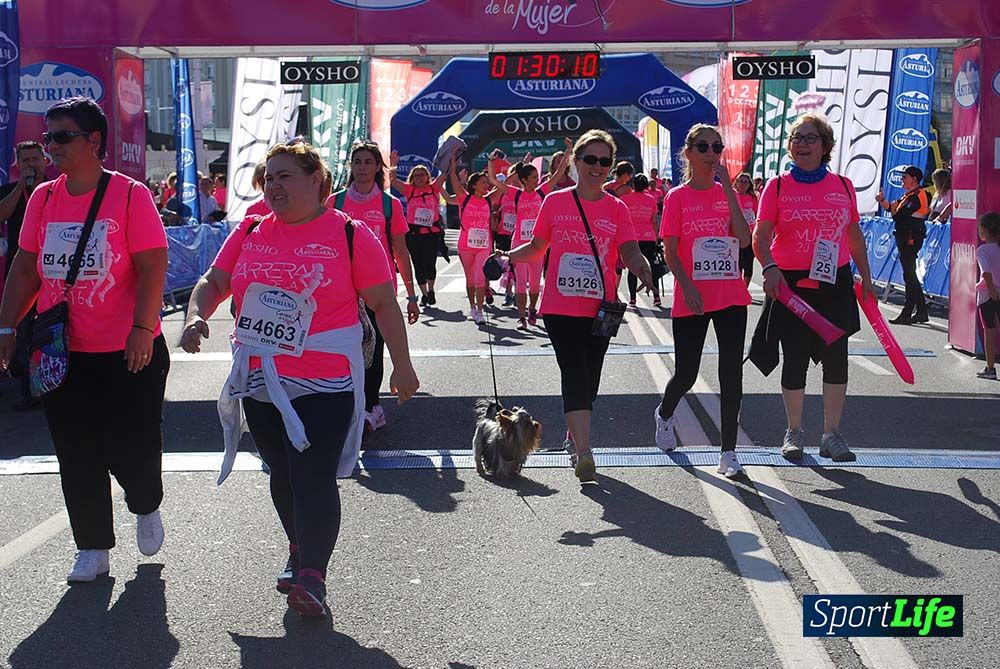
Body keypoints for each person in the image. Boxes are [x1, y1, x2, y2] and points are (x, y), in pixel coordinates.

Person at [180, 140, 419, 617]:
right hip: (261, 378)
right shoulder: (249, 230)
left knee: (312, 474)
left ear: (317, 181)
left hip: (326, 381)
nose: (273, 185)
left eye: (285, 176)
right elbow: (214, 281)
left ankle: (313, 574)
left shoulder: (348, 233)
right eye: (269, 177)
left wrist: (403, 364)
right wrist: (195, 315)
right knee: (283, 474)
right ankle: (298, 548)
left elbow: (383, 304)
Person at [0, 96, 170, 582]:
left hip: (128, 348)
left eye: (61, 136)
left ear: (94, 141)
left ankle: (145, 502)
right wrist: (7, 326)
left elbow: (152, 263)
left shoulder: (130, 194)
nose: (50, 145)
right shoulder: (44, 198)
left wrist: (141, 328)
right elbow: (28, 264)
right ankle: (92, 547)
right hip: (60, 350)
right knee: (75, 448)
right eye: (48, 136)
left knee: (132, 444)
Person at [506, 130, 653, 482]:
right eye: (590, 159)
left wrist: (643, 267)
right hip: (560, 307)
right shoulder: (555, 203)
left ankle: (575, 434)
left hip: (602, 308)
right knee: (573, 369)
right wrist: (506, 257)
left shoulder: (616, 208)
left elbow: (629, 250)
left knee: (591, 378)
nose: (597, 167)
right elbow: (537, 245)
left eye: (605, 161)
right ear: (576, 162)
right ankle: (584, 451)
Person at [750, 112, 876, 464]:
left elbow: (853, 235)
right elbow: (759, 237)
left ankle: (832, 435)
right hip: (790, 285)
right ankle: (794, 432)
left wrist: (866, 277)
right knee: (795, 359)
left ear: (825, 146)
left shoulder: (843, 185)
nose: (802, 144)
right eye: (796, 138)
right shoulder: (776, 186)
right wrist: (770, 267)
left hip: (833, 282)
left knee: (837, 360)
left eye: (810, 138)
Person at [654, 125, 752, 478]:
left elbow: (743, 241)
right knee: (687, 373)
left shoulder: (728, 194)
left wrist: (728, 191)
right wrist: (687, 286)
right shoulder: (676, 197)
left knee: (731, 373)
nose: (712, 153)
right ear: (689, 153)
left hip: (729, 295)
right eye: (704, 146)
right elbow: (669, 251)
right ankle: (665, 414)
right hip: (692, 296)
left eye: (717, 146)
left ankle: (728, 452)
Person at [328, 140, 419, 434]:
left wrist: (412, 295)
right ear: (350, 166)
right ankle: (347, 405)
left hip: (378, 293)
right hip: (341, 292)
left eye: (368, 162)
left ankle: (371, 408)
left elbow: (400, 252)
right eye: (357, 162)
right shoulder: (334, 203)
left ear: (378, 167)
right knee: (343, 350)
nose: (362, 168)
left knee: (373, 351)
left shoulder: (389, 204)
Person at [489, 146, 568, 329]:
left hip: (537, 243)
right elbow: (493, 180)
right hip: (519, 243)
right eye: (533, 177)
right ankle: (522, 317)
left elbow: (559, 172)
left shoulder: (542, 191)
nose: (536, 180)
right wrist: (491, 161)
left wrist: (569, 151)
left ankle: (532, 309)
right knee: (520, 283)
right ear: (523, 180)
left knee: (534, 282)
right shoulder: (515, 193)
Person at [0, 141, 48, 411]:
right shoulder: (12, 191)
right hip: (22, 272)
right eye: (25, 160)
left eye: (35, 159)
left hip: (54, 272)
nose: (31, 164)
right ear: (18, 165)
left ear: (45, 160)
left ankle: (48, 387)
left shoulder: (58, 186)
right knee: (21, 331)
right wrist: (20, 187)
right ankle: (30, 389)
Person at [389, 153, 447, 307]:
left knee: (430, 263)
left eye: (422, 175)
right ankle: (424, 294)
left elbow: (445, 174)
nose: (419, 178)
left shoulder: (434, 188)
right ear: (412, 178)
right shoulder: (409, 190)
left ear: (427, 176)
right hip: (414, 234)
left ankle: (431, 289)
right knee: (417, 264)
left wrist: (451, 158)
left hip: (431, 233)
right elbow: (392, 180)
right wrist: (394, 164)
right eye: (416, 175)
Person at [449, 158, 501, 324]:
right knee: (470, 279)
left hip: (483, 247)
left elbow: (503, 185)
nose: (487, 185)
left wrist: (492, 165)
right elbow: (454, 181)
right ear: (474, 185)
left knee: (479, 278)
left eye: (487, 182)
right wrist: (452, 166)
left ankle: (480, 310)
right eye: (483, 182)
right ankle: (472, 306)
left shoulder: (488, 199)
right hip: (466, 246)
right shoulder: (464, 198)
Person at [876, 165, 929, 324]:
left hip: (911, 237)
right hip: (905, 236)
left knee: (910, 275)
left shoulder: (918, 196)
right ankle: (921, 311)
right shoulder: (909, 195)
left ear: (914, 179)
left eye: (904, 176)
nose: (902, 179)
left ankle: (907, 312)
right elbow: (892, 208)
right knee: (909, 274)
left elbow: (898, 216)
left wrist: (894, 212)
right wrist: (882, 200)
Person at [620, 174, 662, 307]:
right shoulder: (651, 200)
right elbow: (654, 221)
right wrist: (656, 238)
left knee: (633, 268)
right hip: (648, 237)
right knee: (651, 268)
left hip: (631, 238)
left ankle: (632, 298)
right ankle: (656, 297)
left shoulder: (625, 199)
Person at [975, 212, 1000, 379]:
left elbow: (986, 273)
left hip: (988, 295)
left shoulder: (982, 250)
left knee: (989, 331)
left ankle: (990, 368)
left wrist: (992, 292)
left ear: (983, 230)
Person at [733, 171, 759, 287]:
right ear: (736, 183)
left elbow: (757, 214)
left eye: (745, 182)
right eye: (740, 181)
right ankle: (736, 288)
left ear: (749, 184)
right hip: (735, 235)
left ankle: (745, 288)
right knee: (737, 263)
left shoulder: (753, 197)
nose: (743, 184)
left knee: (748, 264)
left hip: (750, 235)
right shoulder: (732, 195)